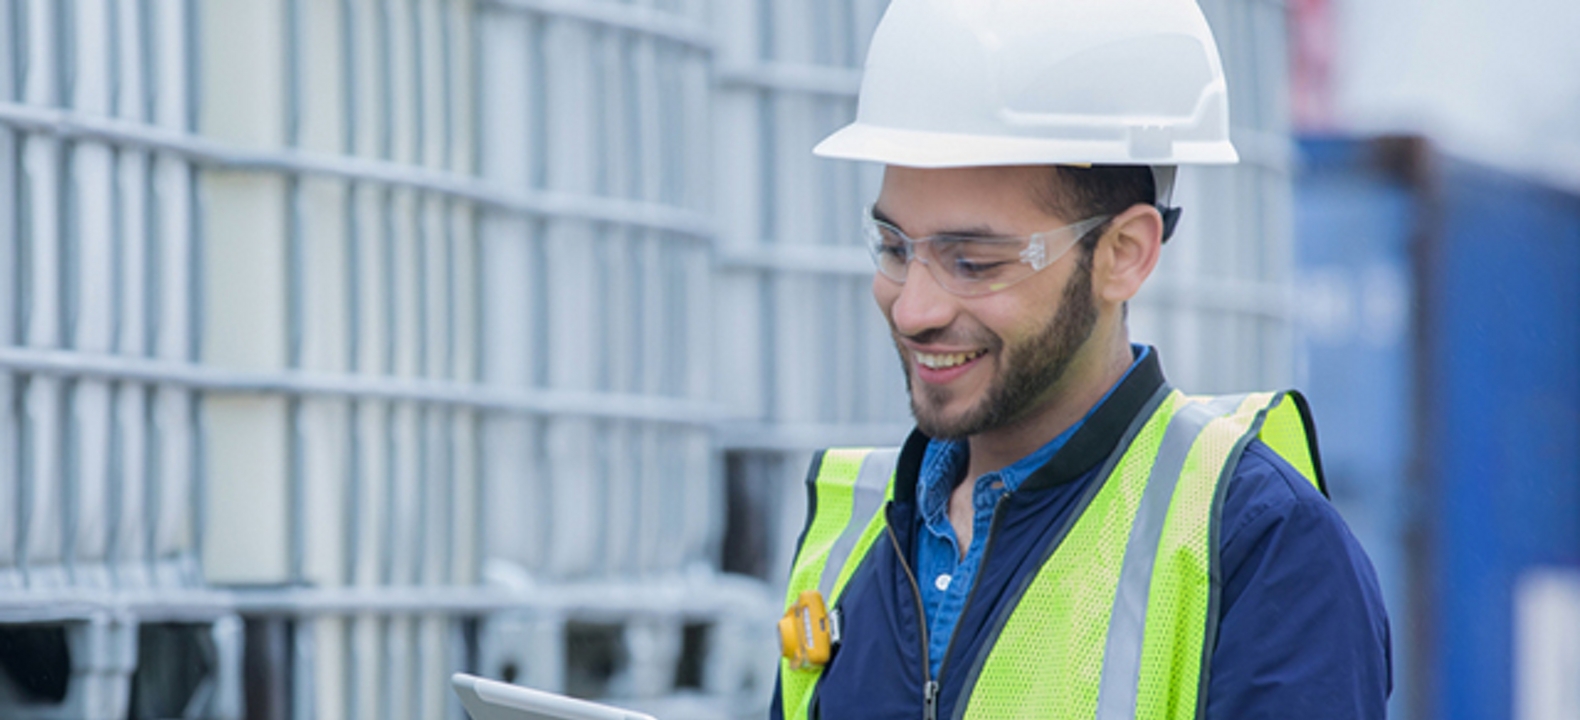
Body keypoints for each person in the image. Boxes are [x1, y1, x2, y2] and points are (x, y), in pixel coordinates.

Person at [769, 1, 1391, 719]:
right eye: (894, 248)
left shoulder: (1257, 546)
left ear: (1124, 254)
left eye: (972, 260)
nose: (913, 309)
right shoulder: (852, 534)